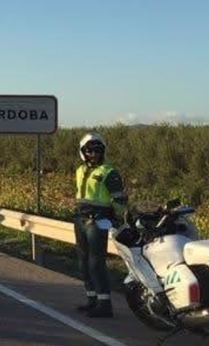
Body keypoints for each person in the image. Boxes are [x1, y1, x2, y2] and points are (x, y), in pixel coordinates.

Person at [74, 132, 129, 318]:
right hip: (80, 219)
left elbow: (120, 201)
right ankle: (92, 300)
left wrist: (114, 216)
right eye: (89, 151)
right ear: (83, 152)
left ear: (103, 151)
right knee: (83, 262)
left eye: (97, 150)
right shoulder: (80, 170)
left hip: (98, 221)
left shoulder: (109, 172)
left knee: (96, 263)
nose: (93, 154)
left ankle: (105, 304)